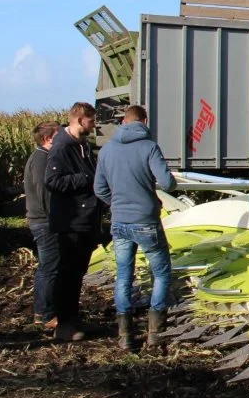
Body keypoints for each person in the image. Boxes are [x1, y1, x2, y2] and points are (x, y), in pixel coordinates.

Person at [94, 105, 176, 350]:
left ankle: (125, 336)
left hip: (120, 221)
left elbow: (99, 189)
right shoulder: (149, 147)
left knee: (123, 275)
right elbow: (168, 183)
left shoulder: (107, 150)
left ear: (123, 121)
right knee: (160, 273)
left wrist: (117, 204)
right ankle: (154, 333)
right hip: (146, 220)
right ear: (145, 120)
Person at [45, 102, 101, 342]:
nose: (94, 125)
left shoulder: (82, 147)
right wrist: (85, 179)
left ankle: (72, 317)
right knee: (67, 273)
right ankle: (64, 322)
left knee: (77, 273)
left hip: (85, 218)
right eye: (91, 121)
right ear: (79, 120)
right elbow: (53, 181)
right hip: (71, 220)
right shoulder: (62, 148)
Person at [25, 121, 60, 328]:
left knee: (46, 268)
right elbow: (44, 193)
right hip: (45, 222)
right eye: (58, 136)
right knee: (49, 268)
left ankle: (42, 312)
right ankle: (46, 314)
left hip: (43, 220)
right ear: (47, 140)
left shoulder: (42, 157)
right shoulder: (40, 161)